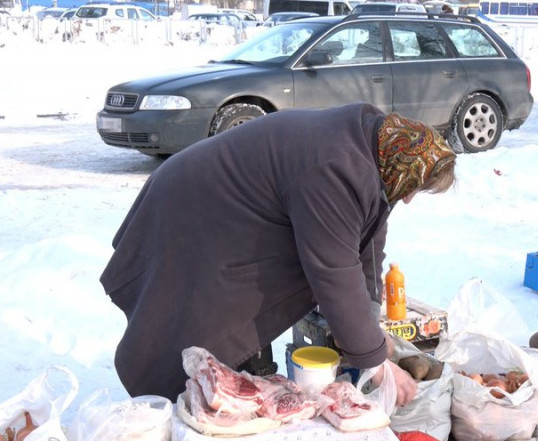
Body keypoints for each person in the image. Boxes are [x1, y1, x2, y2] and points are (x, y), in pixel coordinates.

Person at [100, 103, 457, 406]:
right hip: (195, 209)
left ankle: (221, 387)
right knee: (198, 314)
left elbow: (367, 251)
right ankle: (177, 402)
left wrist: (372, 335)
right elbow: (334, 268)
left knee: (227, 310)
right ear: (403, 167)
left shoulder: (375, 152)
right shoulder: (335, 168)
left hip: (219, 203)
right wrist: (377, 366)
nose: (409, 198)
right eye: (415, 187)